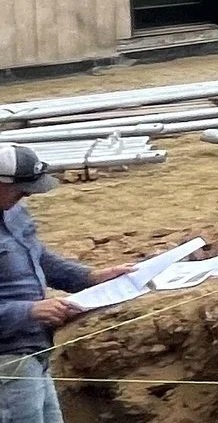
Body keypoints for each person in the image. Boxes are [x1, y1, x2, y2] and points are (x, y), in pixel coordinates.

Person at [1, 145, 132, 423]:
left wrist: (90, 277)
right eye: (22, 188)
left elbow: (39, 257)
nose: (28, 194)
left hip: (35, 351)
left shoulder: (14, 212)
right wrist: (29, 311)